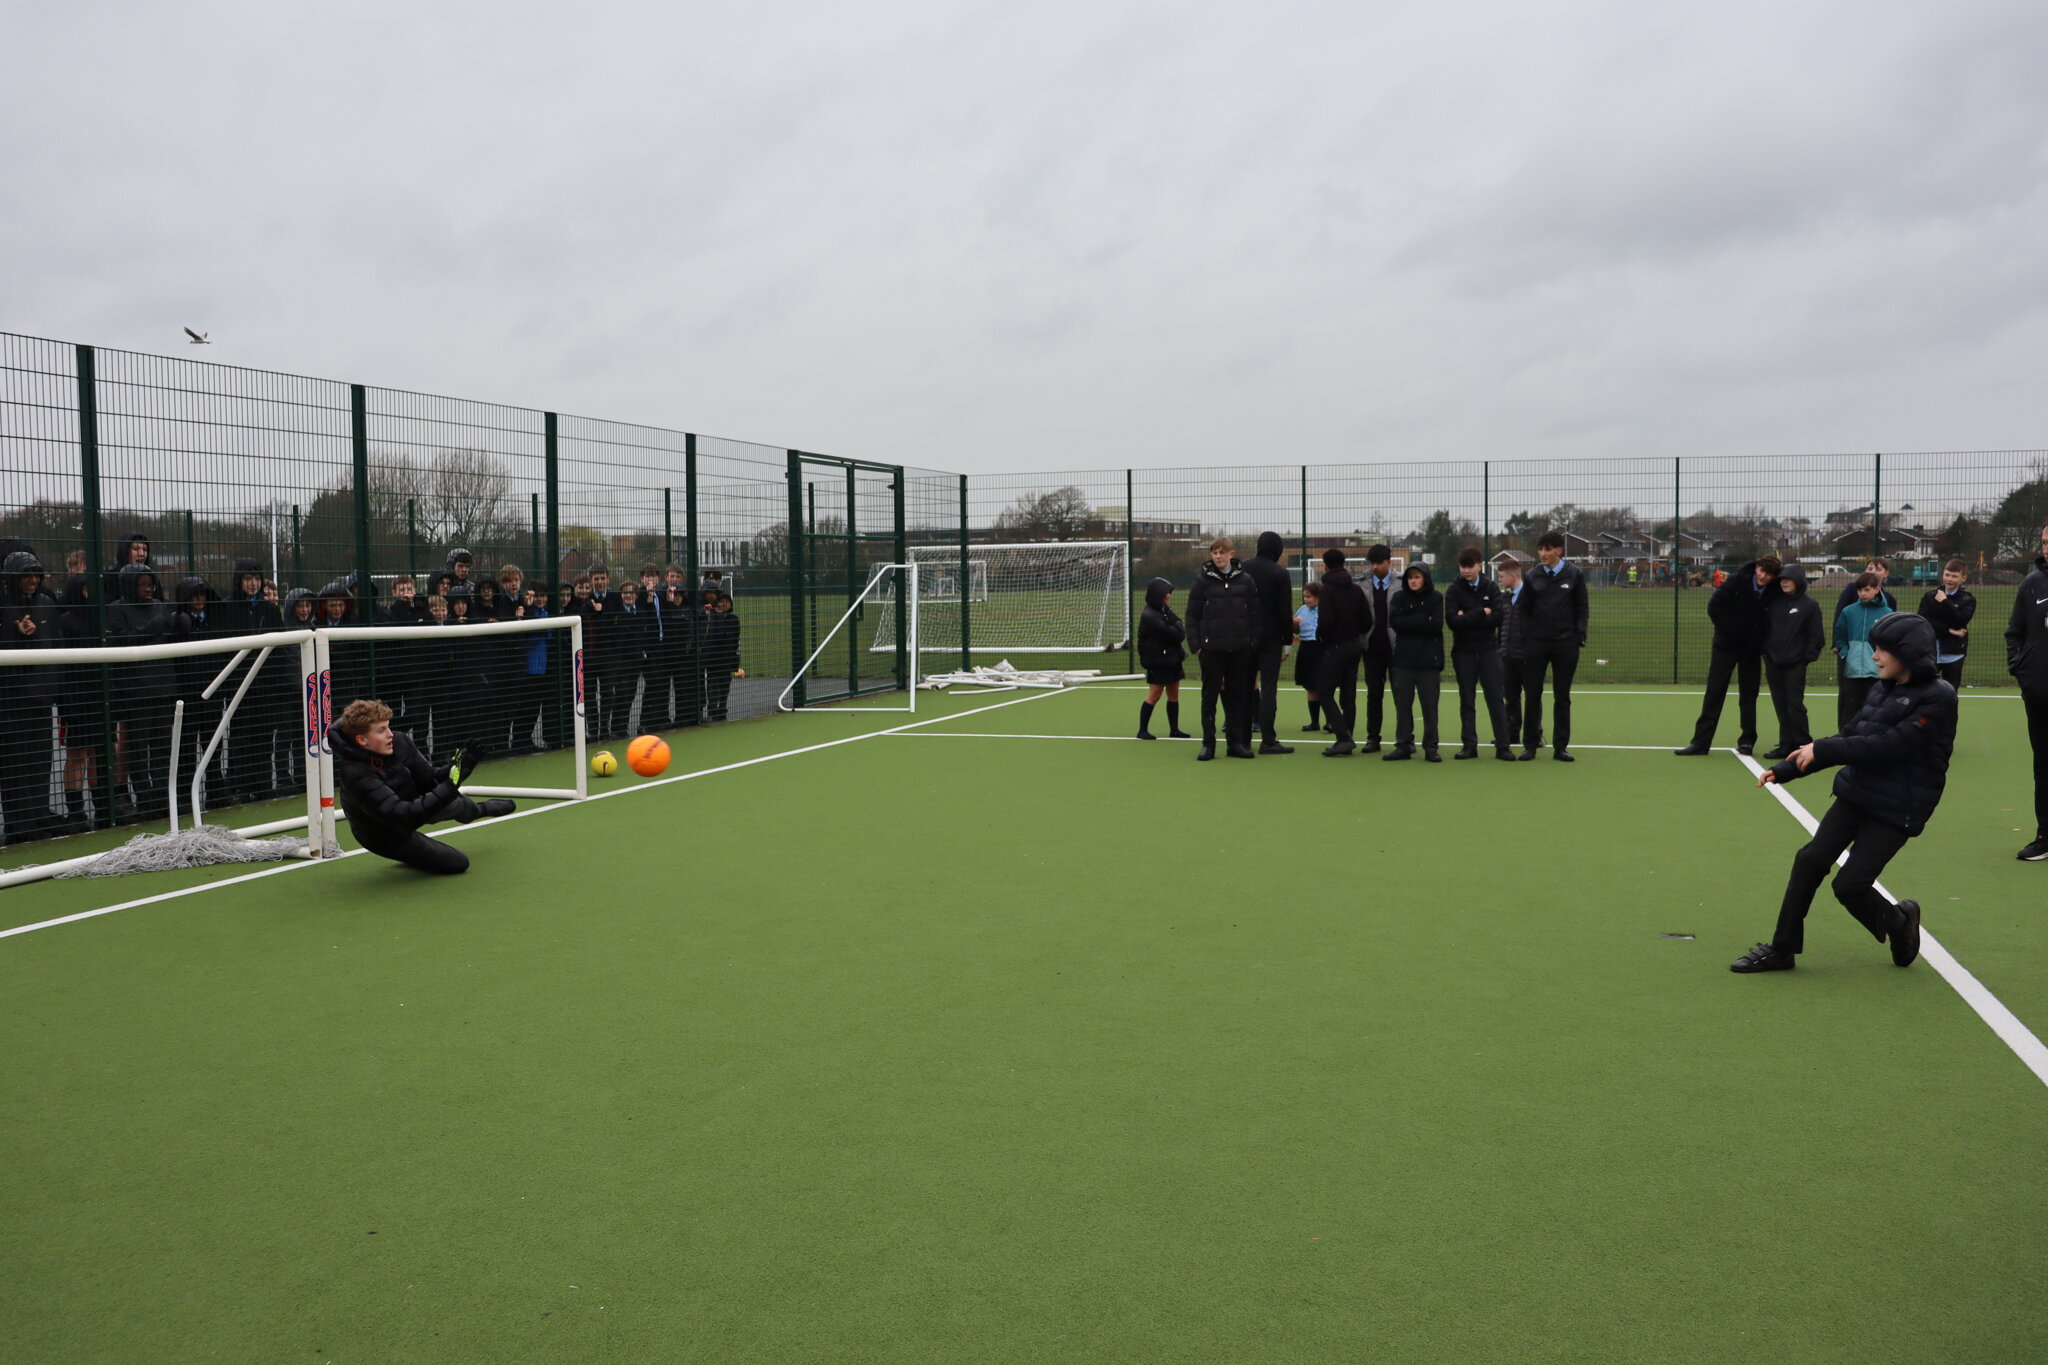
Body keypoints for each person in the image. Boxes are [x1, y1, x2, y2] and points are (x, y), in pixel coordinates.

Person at [1731, 613, 1952, 973]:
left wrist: (1823, 750)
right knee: (1809, 861)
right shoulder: (1882, 688)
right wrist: (1788, 768)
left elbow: (1889, 746)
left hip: (1897, 807)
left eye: (1882, 649)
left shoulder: (1938, 699)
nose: (1875, 656)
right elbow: (1851, 735)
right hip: (1857, 793)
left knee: (1849, 886)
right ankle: (1782, 949)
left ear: (1907, 654)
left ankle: (1899, 921)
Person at [329, 699, 513, 876]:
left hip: (410, 803)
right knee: (458, 863)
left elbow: (430, 778)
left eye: (388, 726)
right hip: (385, 833)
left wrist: (462, 764)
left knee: (460, 804)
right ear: (362, 740)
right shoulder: (356, 774)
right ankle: (411, 855)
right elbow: (404, 817)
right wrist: (450, 786)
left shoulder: (399, 742)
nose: (390, 734)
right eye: (381, 730)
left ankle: (482, 809)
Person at [1676, 556, 1778, 756]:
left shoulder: (1774, 591)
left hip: (1751, 650)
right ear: (1757, 567)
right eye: (1761, 571)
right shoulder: (1736, 581)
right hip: (1725, 646)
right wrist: (1729, 632)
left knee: (1749, 695)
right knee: (1715, 692)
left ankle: (1747, 741)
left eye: (1768, 574)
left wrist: (1759, 639)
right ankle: (1700, 742)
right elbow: (1714, 607)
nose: (1763, 576)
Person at [1184, 536, 1262, 761]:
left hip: (1239, 650)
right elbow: (1192, 615)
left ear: (1231, 554)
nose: (1218, 556)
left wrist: (1252, 642)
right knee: (1209, 698)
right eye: (1214, 552)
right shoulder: (1202, 582)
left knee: (1237, 698)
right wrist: (1197, 646)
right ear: (1211, 555)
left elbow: (1255, 614)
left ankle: (1235, 744)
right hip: (1211, 651)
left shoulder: (1246, 581)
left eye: (1222, 552)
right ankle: (1208, 744)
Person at [0, 549, 58, 843]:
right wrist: (17, 635)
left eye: (36, 574)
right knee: (14, 764)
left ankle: (37, 818)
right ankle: (17, 824)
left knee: (40, 761)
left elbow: (54, 646)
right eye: (26, 575)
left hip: (40, 698)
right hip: (10, 701)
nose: (33, 580)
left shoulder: (47, 604)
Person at [1518, 532, 1588, 761]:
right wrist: (1526, 639)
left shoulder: (1575, 574)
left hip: (1565, 645)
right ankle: (1530, 744)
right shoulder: (1531, 576)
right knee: (1532, 695)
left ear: (1559, 550)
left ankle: (1560, 747)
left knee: (1562, 696)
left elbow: (1581, 608)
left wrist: (1579, 636)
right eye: (1540, 549)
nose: (1543, 554)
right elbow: (1523, 610)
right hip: (1536, 645)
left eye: (1547, 549)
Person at [1444, 548, 1513, 760]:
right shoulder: (1454, 590)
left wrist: (1468, 616)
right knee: (1467, 699)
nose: (1466, 571)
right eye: (1463, 566)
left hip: (1488, 651)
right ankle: (1469, 746)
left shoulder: (1491, 587)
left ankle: (1503, 746)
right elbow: (1453, 622)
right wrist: (1481, 612)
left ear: (1479, 566)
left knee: (1495, 698)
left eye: (1470, 566)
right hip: (1463, 651)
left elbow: (1499, 617)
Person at [2005, 523, 2048, 861]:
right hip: (2039, 693)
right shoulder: (2032, 584)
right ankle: (2044, 836)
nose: (2046, 547)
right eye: (2045, 542)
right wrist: (2021, 669)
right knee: (2043, 765)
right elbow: (2014, 632)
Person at [1760, 564, 1824, 760]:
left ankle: (1804, 745)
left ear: (1799, 581)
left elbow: (1816, 637)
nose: (1784, 582)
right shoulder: (1774, 603)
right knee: (1780, 704)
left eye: (1789, 579)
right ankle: (1786, 744)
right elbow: (1764, 630)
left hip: (1795, 665)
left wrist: (1805, 659)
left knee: (1794, 705)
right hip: (1773, 663)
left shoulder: (1809, 605)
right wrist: (1767, 654)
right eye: (1781, 579)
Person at [1241, 531, 1296, 754]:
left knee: (1244, 688)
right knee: (1269, 688)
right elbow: (1285, 612)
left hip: (1245, 637)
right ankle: (1268, 740)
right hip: (1271, 638)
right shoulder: (1280, 573)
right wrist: (1287, 641)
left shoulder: (1242, 568)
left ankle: (1242, 740)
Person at [1386, 563, 1443, 761]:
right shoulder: (1398, 598)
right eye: (1410, 577)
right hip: (1403, 662)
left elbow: (1436, 625)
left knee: (1429, 708)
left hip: (1428, 663)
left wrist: (1409, 621)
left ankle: (1430, 747)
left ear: (1425, 578)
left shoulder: (1436, 598)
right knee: (1402, 706)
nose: (1413, 580)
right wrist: (1422, 620)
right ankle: (1403, 745)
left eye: (1417, 577)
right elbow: (1395, 623)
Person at [1316, 549, 1369, 756]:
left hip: (1335, 646)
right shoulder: (1355, 589)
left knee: (1325, 693)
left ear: (1326, 565)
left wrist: (1322, 636)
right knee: (1349, 694)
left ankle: (1343, 737)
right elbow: (1367, 620)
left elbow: (1326, 621)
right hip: (1354, 645)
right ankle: (1348, 736)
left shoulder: (1327, 590)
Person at [1834, 571, 1892, 730]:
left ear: (1877, 589)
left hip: (1876, 673)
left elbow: (1890, 641)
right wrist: (1846, 653)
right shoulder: (1848, 611)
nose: (1862, 594)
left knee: (1875, 712)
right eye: (1860, 590)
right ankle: (1844, 746)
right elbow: (1840, 637)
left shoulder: (1887, 614)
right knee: (1849, 713)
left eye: (1867, 590)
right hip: (1852, 672)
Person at [1136, 577, 1191, 740]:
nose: (1169, 596)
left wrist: (1176, 628)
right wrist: (1176, 628)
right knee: (1155, 694)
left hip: (1171, 659)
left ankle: (1174, 729)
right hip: (1158, 661)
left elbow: (1179, 627)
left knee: (1174, 694)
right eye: (1167, 593)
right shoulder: (1150, 615)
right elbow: (1173, 634)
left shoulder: (1164, 610)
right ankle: (1142, 730)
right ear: (1158, 594)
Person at [1358, 546, 1399, 752]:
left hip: (1396, 649)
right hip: (1371, 648)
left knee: (1401, 695)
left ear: (1388, 562)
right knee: (1374, 694)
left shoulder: (1401, 583)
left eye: (1379, 563)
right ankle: (1373, 738)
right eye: (1372, 563)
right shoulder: (1361, 584)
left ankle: (1404, 739)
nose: (1375, 567)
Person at [1918, 560, 1975, 690]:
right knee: (1926, 692)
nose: (1949, 579)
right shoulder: (1930, 596)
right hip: (1930, 652)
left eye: (1954, 576)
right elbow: (1923, 622)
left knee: (1950, 693)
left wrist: (1945, 602)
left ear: (1963, 578)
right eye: (1947, 575)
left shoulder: (1968, 599)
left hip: (1954, 653)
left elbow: (1959, 621)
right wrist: (1949, 631)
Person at [1496, 561, 1527, 751]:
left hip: (1527, 656)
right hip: (1506, 655)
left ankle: (1534, 735)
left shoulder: (1530, 597)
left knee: (1532, 697)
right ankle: (1511, 734)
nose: (1499, 580)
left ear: (1512, 576)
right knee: (1511, 697)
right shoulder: (1503, 599)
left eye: (1501, 576)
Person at [701, 592, 742, 722]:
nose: (723, 604)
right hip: (713, 659)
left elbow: (734, 639)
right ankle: (712, 711)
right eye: (721, 601)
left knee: (725, 686)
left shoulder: (733, 619)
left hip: (727, 659)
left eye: (726, 602)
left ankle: (722, 711)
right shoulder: (712, 617)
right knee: (713, 686)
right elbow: (716, 635)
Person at [1292, 582, 1327, 733]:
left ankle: (1331, 721)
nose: (1306, 600)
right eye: (1304, 596)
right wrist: (1294, 625)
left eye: (1309, 597)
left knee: (1324, 686)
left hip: (1321, 649)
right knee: (1310, 686)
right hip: (1306, 649)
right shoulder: (1302, 610)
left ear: (1319, 597)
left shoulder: (1326, 610)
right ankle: (1314, 722)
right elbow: (1294, 632)